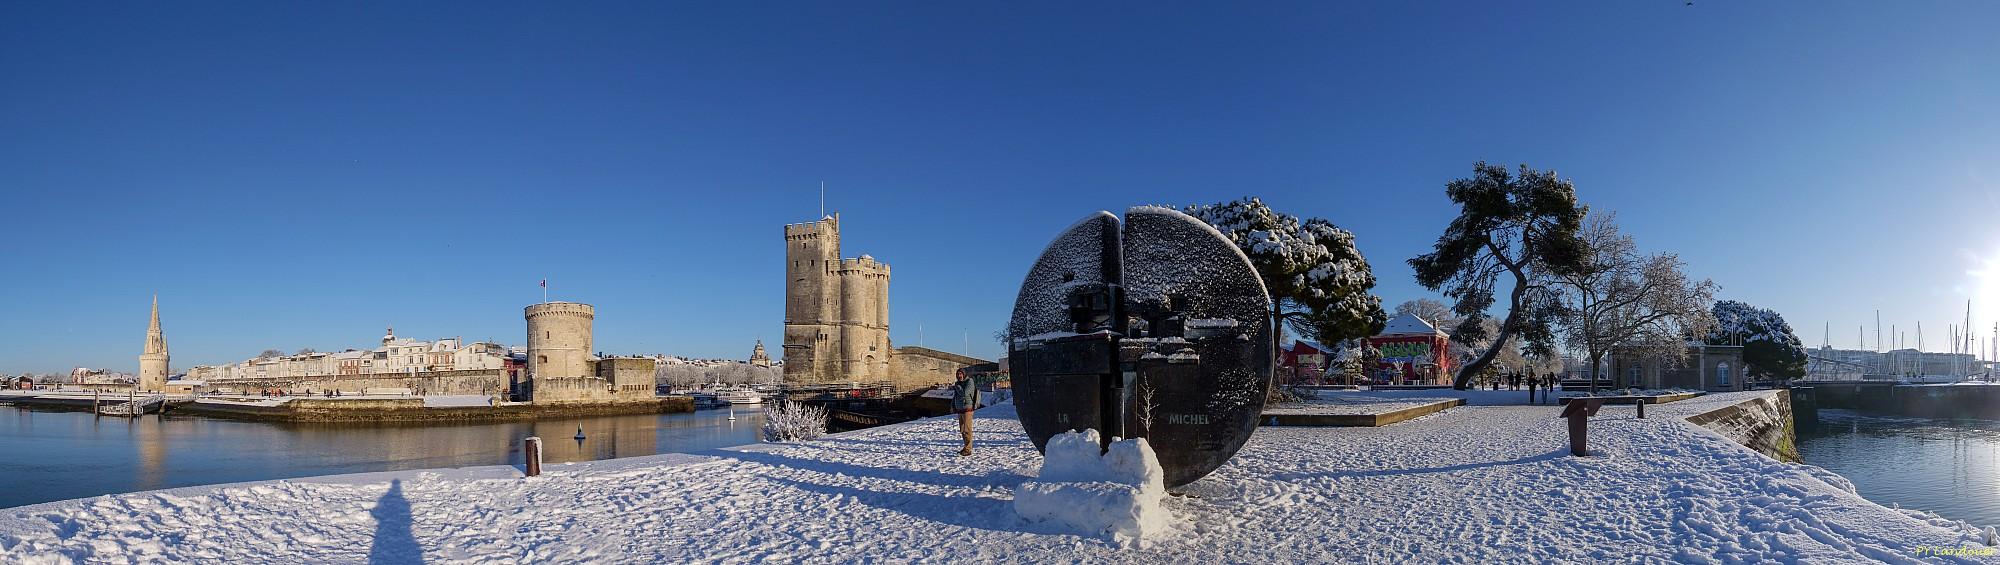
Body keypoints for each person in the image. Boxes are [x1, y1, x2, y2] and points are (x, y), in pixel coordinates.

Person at [951, 368, 1002, 456]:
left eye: (960, 374)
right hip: (960, 409)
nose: (959, 376)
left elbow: (965, 393)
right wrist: (952, 406)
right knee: (962, 430)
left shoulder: (969, 382)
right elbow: (955, 396)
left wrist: (958, 387)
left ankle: (968, 449)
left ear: (964, 374)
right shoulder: (958, 384)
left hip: (967, 408)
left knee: (967, 429)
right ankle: (966, 446)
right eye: (957, 374)